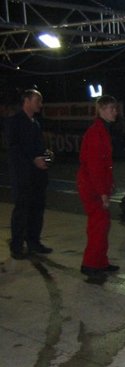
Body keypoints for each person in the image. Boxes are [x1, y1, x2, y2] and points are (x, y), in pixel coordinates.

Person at [6, 88, 52, 259]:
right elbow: (14, 148)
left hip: (38, 175)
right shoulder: (15, 121)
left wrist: (46, 157)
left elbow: (38, 147)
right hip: (23, 175)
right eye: (37, 100)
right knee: (22, 210)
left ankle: (34, 242)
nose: (40, 104)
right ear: (26, 100)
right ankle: (17, 246)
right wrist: (33, 159)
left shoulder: (36, 122)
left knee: (37, 209)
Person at [76, 95, 119, 277]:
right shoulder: (96, 133)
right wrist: (102, 192)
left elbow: (103, 165)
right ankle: (91, 264)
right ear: (101, 110)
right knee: (98, 225)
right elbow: (94, 166)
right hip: (92, 186)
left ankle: (99, 261)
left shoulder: (101, 130)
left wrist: (109, 184)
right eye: (111, 108)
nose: (115, 112)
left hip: (94, 184)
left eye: (115, 108)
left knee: (101, 224)